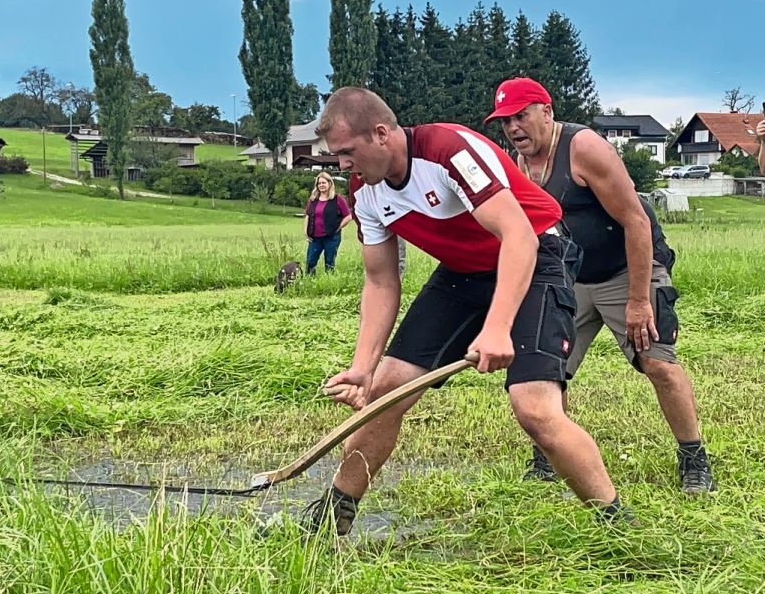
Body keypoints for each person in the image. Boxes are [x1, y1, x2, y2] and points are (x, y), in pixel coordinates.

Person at [303, 86, 632, 537]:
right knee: (386, 390)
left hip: (537, 253)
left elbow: (519, 235)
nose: (342, 166)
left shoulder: (448, 150)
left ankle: (617, 525)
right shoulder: (364, 192)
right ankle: (329, 521)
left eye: (347, 152)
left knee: (533, 407)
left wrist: (497, 328)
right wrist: (363, 367)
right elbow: (381, 281)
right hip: (465, 271)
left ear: (381, 134)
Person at [485, 77, 714, 494]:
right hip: (570, 277)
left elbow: (636, 221)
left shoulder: (584, 148)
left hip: (628, 268)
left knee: (658, 362)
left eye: (521, 115)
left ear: (546, 111)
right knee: (547, 370)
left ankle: (694, 457)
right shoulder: (514, 163)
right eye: (505, 122)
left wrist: (639, 300)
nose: (514, 128)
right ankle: (548, 458)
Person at [303, 172, 352, 274]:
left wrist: (338, 228)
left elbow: (348, 216)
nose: (321, 185)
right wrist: (306, 231)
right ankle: (309, 283)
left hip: (331, 237)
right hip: (315, 238)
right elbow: (308, 215)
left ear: (330, 183)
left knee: (329, 262)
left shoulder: (337, 199)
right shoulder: (313, 200)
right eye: (319, 183)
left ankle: (328, 284)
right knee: (310, 262)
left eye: (323, 182)